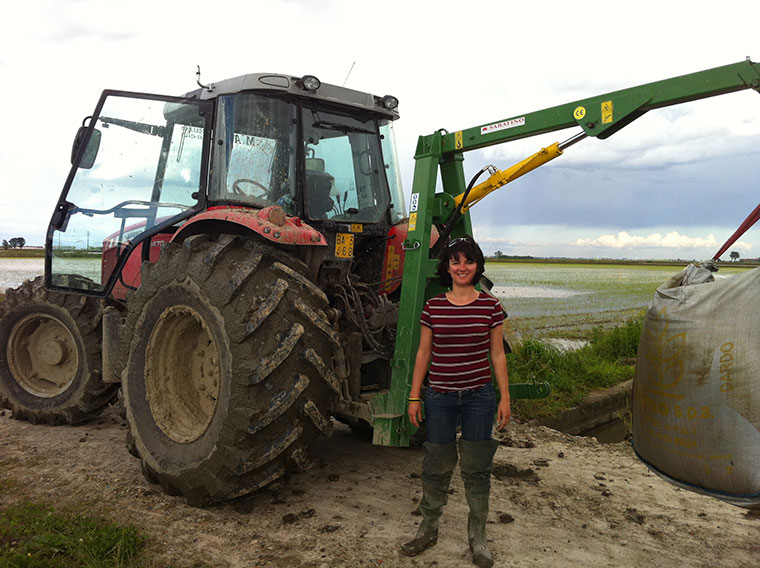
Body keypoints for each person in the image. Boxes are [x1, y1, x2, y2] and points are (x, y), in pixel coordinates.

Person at [400, 235, 511, 568]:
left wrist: (504, 397)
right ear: (446, 268)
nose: (462, 267)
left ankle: (478, 537)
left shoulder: (491, 307)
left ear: (477, 266)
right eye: (455, 261)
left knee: (478, 468)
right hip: (440, 397)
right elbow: (424, 352)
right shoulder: (433, 307)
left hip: (478, 397)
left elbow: (497, 355)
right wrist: (415, 395)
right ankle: (428, 527)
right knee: (436, 463)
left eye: (468, 261)